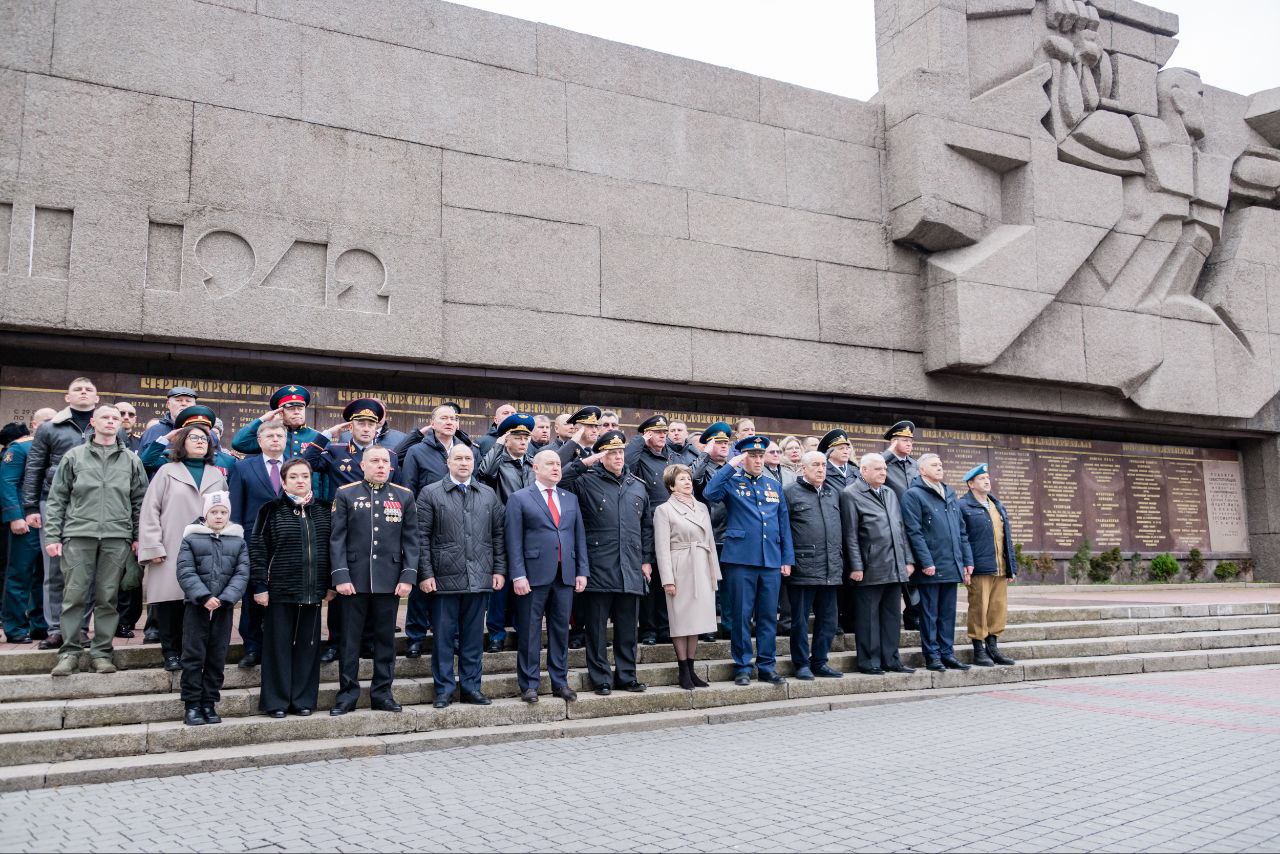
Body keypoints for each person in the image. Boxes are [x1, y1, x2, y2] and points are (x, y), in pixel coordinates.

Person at [43, 405, 147, 676]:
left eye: (116, 418)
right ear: (93, 422)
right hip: (78, 535)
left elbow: (140, 502)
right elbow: (57, 499)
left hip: (116, 537)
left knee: (107, 598)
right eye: (106, 417)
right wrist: (53, 535)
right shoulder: (74, 457)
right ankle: (69, 652)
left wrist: (138, 537)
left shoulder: (131, 460)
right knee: (74, 596)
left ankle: (102, 652)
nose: (112, 422)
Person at [560, 430, 652, 695]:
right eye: (611, 453)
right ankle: (600, 678)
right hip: (599, 566)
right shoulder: (585, 481)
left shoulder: (637, 484)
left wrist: (646, 560)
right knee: (597, 629)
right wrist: (584, 462)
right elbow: (560, 479)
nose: (618, 457)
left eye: (621, 452)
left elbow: (646, 527)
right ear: (601, 456)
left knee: (627, 628)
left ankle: (627, 676)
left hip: (631, 567)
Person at [303, 398, 396, 663]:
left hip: (377, 528)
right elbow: (306, 463)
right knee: (339, 587)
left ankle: (367, 641)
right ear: (350, 425)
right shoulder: (336, 450)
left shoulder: (388, 457)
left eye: (371, 424)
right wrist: (326, 435)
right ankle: (335, 641)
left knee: (370, 586)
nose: (366, 428)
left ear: (377, 428)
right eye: (360, 423)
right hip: (343, 528)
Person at [329, 445, 418, 715]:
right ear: (363, 465)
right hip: (353, 581)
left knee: (385, 641)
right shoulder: (346, 494)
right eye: (375, 461)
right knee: (349, 640)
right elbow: (337, 539)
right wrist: (340, 575)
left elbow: (412, 540)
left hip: (389, 580)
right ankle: (347, 694)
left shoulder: (403, 496)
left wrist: (408, 575)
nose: (381, 466)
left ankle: (382, 692)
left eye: (385, 462)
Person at [417, 444, 506, 708]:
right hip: (443, 578)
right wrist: (425, 573)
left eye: (468, 458)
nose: (464, 463)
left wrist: (499, 569)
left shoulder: (488, 494)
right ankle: (444, 689)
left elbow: (498, 535)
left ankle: (471, 687)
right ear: (448, 461)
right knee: (443, 638)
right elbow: (421, 537)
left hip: (478, 577)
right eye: (459, 458)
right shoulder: (430, 493)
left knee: (473, 639)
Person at [702, 435, 793, 687]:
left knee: (767, 617)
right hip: (741, 559)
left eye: (760, 456)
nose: (757, 460)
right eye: (752, 456)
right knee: (742, 616)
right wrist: (732, 465)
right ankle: (742, 666)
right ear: (742, 458)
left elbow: (782, 523)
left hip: (770, 560)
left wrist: (786, 558)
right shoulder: (732, 481)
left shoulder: (772, 485)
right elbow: (710, 493)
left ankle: (767, 665)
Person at [138, 421, 230, 671]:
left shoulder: (216, 475)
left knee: (197, 603)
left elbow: (224, 513)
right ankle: (171, 653)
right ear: (182, 443)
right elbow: (150, 510)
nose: (201, 441)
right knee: (170, 602)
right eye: (194, 438)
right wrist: (153, 546)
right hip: (171, 546)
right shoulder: (167, 471)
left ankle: (192, 652)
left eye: (204, 438)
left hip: (206, 549)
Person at [249, 458, 332, 718]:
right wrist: (260, 585)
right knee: (278, 646)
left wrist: (330, 584)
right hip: (280, 590)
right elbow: (259, 548)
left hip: (313, 590)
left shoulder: (324, 509)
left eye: (305, 476)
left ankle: (303, 700)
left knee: (308, 646)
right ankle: (276, 702)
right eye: (294, 476)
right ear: (284, 481)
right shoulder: (271, 510)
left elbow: (334, 549)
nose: (300, 480)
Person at [504, 449, 589, 703]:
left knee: (560, 630)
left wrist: (582, 571)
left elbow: (579, 537)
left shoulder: (570, 498)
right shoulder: (519, 498)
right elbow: (513, 540)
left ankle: (559, 682)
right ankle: (529, 684)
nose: (555, 468)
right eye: (550, 464)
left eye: (558, 464)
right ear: (535, 468)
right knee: (530, 632)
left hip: (565, 575)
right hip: (533, 576)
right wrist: (518, 575)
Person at [22, 376, 98, 650]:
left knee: (86, 571)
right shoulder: (49, 428)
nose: (83, 393)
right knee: (54, 570)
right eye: (77, 389)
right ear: (67, 397)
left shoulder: (106, 426)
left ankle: (80, 629)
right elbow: (34, 468)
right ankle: (55, 628)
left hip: (94, 506)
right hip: (53, 503)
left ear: (96, 398)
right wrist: (30, 506)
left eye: (88, 389)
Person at [400, 404, 472, 657]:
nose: (449, 422)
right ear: (432, 423)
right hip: (426, 524)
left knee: (451, 587)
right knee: (422, 582)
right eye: (444, 418)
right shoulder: (418, 451)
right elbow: (408, 487)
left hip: (458, 526)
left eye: (453, 418)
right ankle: (416, 636)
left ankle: (450, 636)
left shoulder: (467, 450)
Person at [174, 491, 249, 726]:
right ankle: (192, 704)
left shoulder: (237, 540)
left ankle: (209, 702)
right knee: (194, 655)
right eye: (214, 512)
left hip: (223, 608)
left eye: (223, 512)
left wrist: (227, 598)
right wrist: (203, 596)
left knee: (217, 656)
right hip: (197, 606)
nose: (218, 517)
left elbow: (242, 572)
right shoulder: (191, 539)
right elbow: (185, 571)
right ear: (205, 515)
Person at [842, 454, 915, 675]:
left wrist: (908, 559)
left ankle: (892, 660)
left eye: (884, 469)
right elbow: (850, 535)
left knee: (892, 616)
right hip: (870, 566)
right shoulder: (851, 494)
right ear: (863, 470)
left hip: (894, 565)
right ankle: (869, 661)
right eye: (878, 469)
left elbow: (900, 529)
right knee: (868, 619)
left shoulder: (890, 493)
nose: (883, 473)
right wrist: (856, 566)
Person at [900, 453, 973, 673]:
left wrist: (967, 560)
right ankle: (932, 656)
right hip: (930, 567)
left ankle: (947, 653)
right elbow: (914, 532)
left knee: (948, 613)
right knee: (929, 615)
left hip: (951, 564)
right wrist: (926, 561)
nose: (940, 467)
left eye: (941, 464)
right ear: (922, 470)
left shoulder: (949, 493)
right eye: (934, 465)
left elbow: (961, 532)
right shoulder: (913, 495)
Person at [227, 421, 289, 669]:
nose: (275, 439)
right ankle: (252, 647)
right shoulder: (243, 468)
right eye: (270, 435)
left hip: (288, 542)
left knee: (283, 598)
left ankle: (280, 648)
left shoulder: (296, 466)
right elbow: (236, 509)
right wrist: (239, 543)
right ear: (260, 441)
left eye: (280, 435)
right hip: (254, 541)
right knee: (254, 596)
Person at [652, 464, 719, 689]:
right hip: (680, 566)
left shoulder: (701, 507)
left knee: (697, 621)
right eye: (681, 479)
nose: (687, 482)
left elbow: (710, 541)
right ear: (671, 486)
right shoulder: (664, 510)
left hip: (701, 564)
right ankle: (683, 669)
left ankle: (692, 667)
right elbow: (661, 548)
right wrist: (667, 579)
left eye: (688, 478)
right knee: (681, 621)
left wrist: (713, 573)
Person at [475, 412, 536, 652]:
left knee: (526, 584)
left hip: (530, 532)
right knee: (499, 586)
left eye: (525, 437)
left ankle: (523, 631)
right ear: (507, 439)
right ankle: (496, 635)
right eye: (517, 437)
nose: (522, 442)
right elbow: (483, 474)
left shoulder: (533, 464)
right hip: (501, 530)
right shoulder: (497, 462)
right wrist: (499, 443)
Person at [782, 451, 844, 680]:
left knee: (829, 620)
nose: (821, 469)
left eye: (823, 465)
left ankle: (820, 661)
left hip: (831, 568)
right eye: (815, 465)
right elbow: (783, 530)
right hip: (803, 567)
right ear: (803, 468)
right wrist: (787, 560)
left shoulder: (832, 493)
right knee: (799, 621)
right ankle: (801, 664)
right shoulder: (789, 493)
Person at [1, 410, 55, 643]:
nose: (49, 426)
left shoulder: (56, 448)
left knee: (44, 575)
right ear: (34, 424)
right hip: (25, 519)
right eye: (45, 422)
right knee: (20, 574)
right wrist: (15, 516)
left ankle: (40, 625)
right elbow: (7, 483)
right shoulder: (20, 447)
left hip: (50, 519)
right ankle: (14, 628)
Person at [958, 464, 1017, 667]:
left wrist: (1011, 566)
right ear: (971, 484)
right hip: (979, 568)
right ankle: (978, 649)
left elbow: (1005, 537)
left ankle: (993, 647)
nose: (987, 481)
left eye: (988, 477)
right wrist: (967, 564)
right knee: (979, 608)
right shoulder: (963, 506)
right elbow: (962, 538)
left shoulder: (996, 505)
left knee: (997, 609)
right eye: (981, 478)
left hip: (999, 568)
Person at [624, 414, 671, 647]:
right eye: (658, 433)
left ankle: (665, 627)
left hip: (672, 526)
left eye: (665, 432)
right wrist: (640, 440)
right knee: (650, 579)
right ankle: (649, 629)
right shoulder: (640, 456)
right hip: (648, 525)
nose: (663, 436)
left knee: (667, 578)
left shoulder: (671, 456)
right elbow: (625, 464)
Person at [691, 421, 732, 642]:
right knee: (707, 585)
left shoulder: (735, 467)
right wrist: (704, 455)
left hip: (731, 534)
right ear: (708, 445)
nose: (724, 446)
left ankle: (728, 624)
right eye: (718, 442)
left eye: (726, 442)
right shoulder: (702, 466)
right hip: (707, 533)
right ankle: (707, 626)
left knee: (729, 585)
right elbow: (691, 478)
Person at [230, 385, 324, 476]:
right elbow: (238, 443)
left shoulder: (317, 437)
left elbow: (325, 474)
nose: (297, 412)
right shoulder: (270, 436)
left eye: (300, 408)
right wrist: (262, 419)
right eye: (291, 409)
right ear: (280, 412)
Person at [882, 420, 921, 631]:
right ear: (894, 441)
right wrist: (889, 452)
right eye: (904, 440)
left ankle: (913, 614)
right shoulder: (884, 462)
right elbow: (871, 467)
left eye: (910, 440)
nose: (909, 444)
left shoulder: (915, 465)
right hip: (893, 525)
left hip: (915, 525)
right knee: (902, 571)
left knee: (916, 571)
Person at [138, 405, 238, 476]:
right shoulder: (171, 458)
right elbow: (146, 462)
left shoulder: (227, 461)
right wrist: (166, 438)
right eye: (194, 433)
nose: (200, 436)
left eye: (204, 432)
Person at [137, 385, 197, 450]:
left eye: (188, 401)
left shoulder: (204, 431)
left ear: (194, 405)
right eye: (178, 400)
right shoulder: (152, 432)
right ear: (168, 404)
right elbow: (140, 459)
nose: (184, 403)